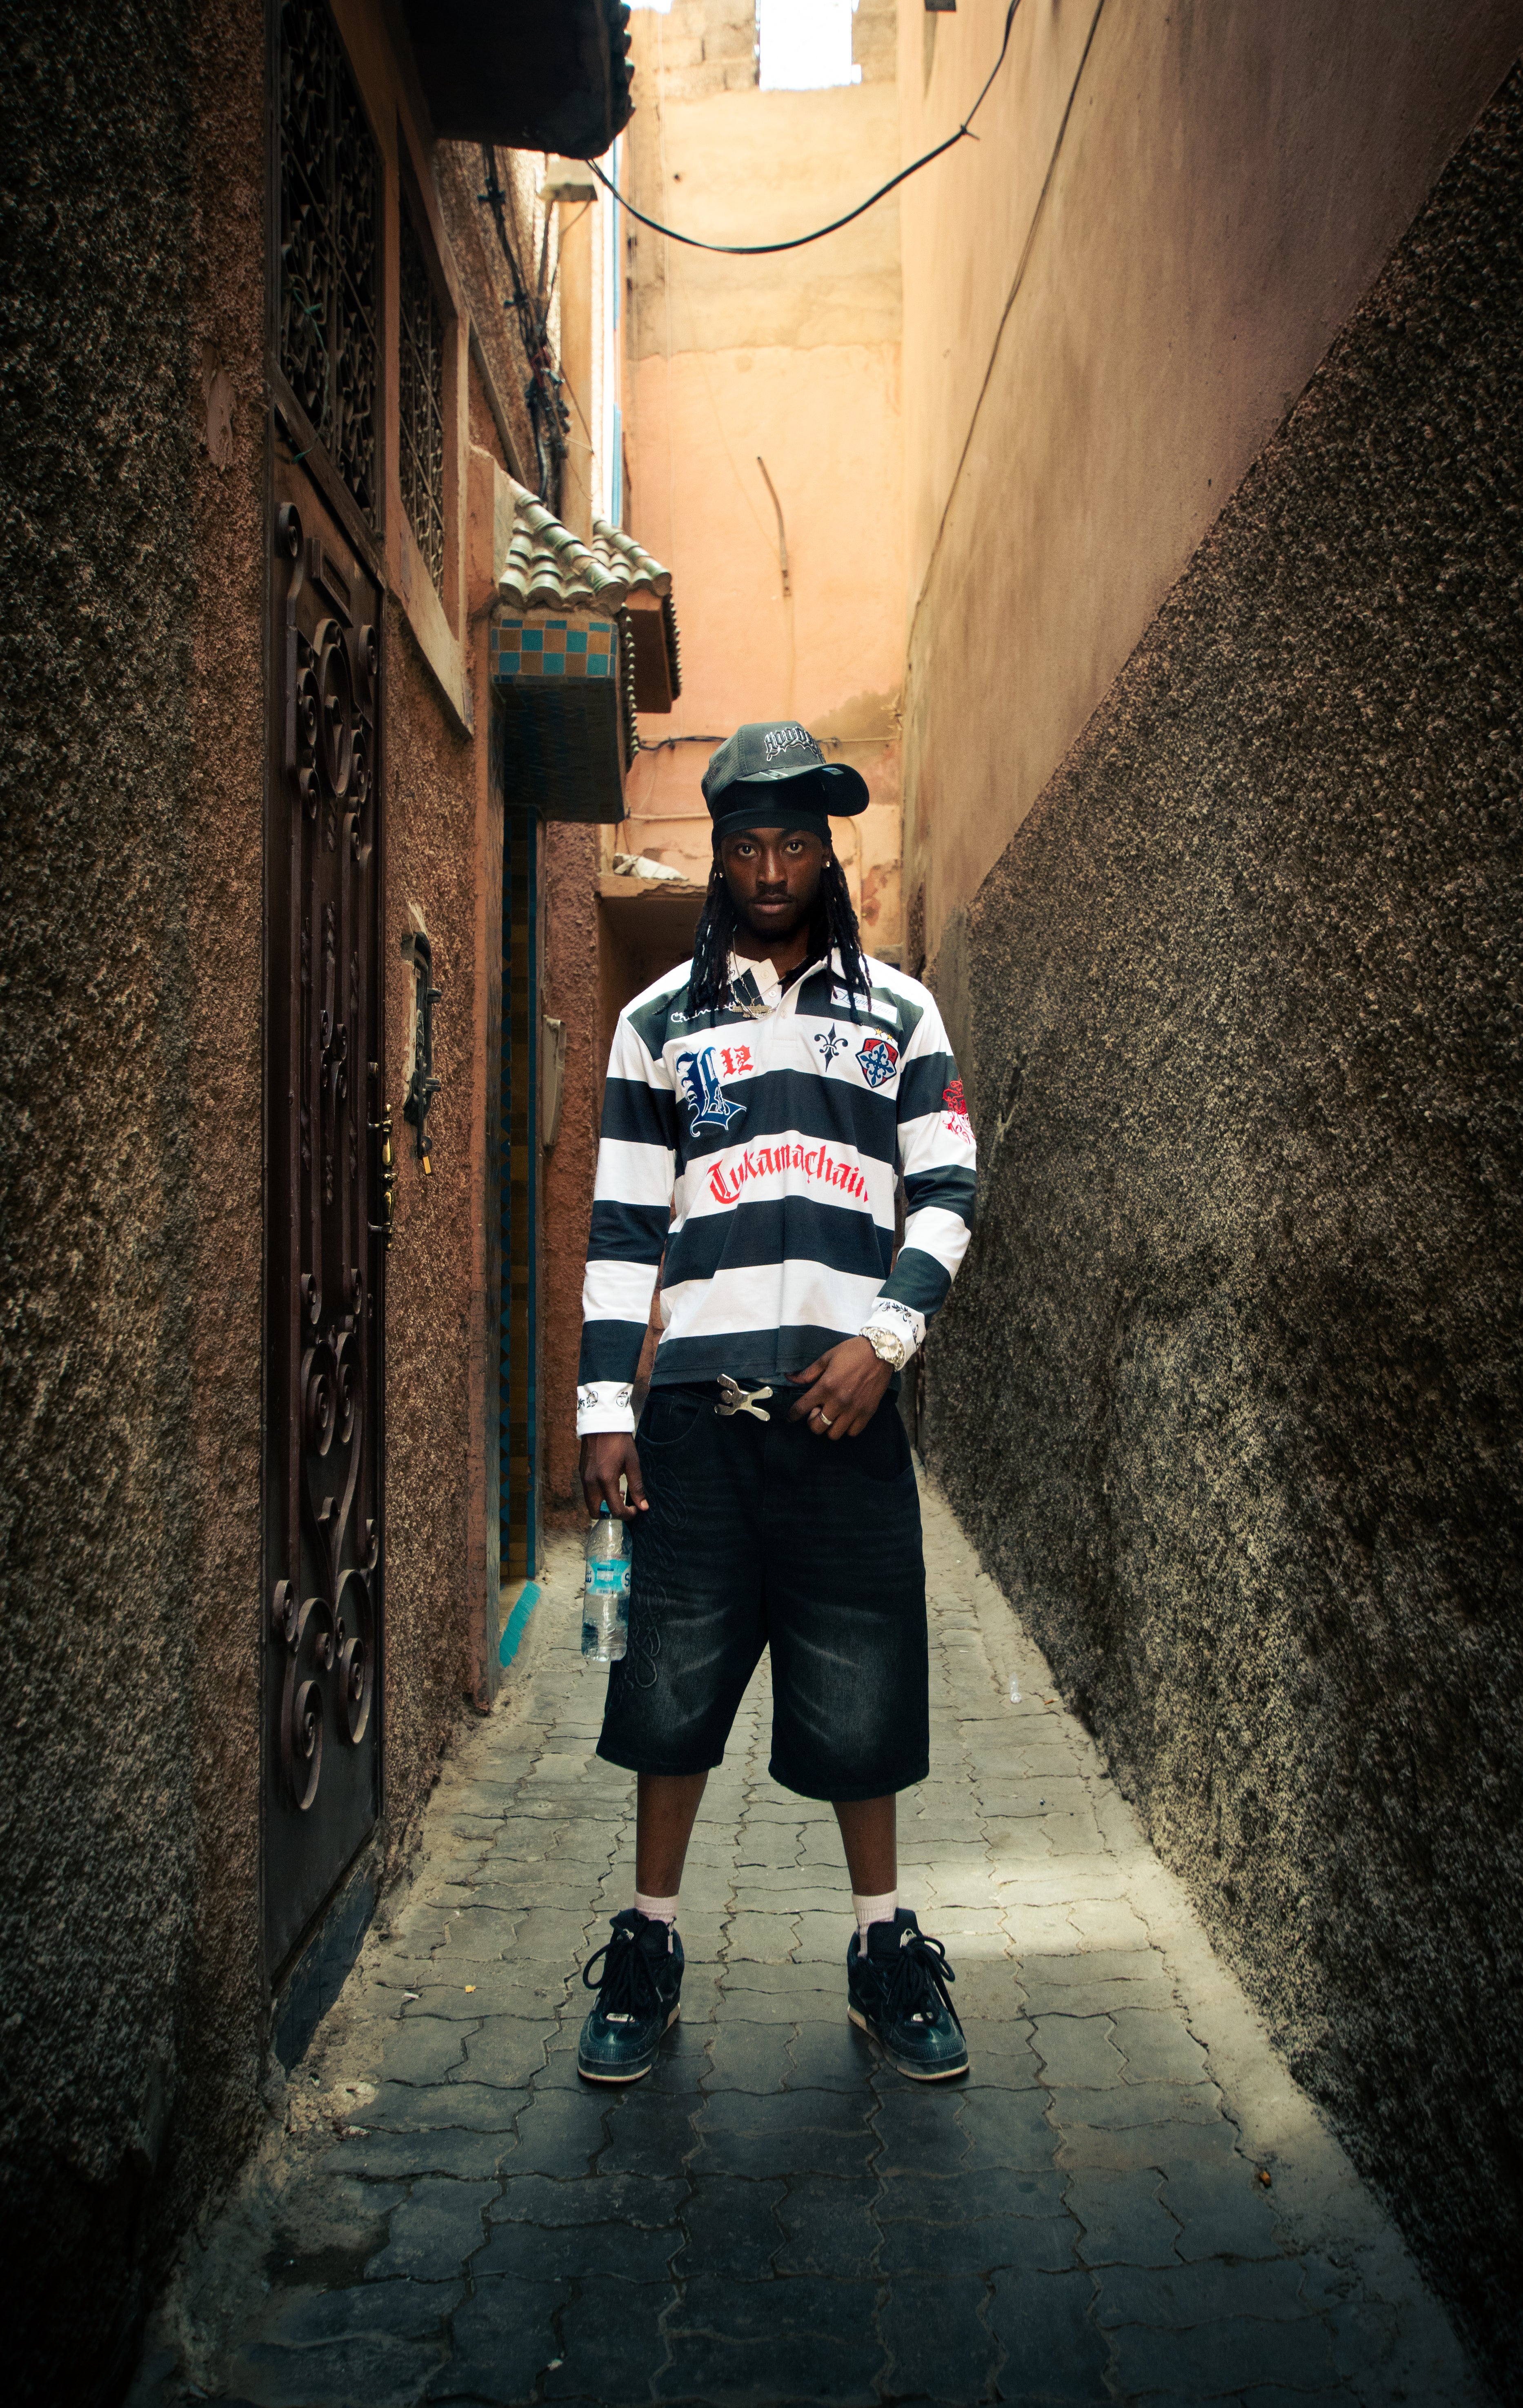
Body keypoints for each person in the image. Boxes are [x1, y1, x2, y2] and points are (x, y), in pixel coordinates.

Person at [574, 721, 977, 2084]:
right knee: (668, 1687)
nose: (766, 869)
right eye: (744, 844)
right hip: (695, 1421)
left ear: (825, 855)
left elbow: (949, 1190)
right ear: (718, 853)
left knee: (863, 1687)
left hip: (844, 1417)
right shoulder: (655, 1024)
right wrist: (603, 1408)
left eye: (793, 844)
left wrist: (885, 1341)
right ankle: (647, 1942)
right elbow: (624, 1225)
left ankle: (882, 1947)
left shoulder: (900, 1013)